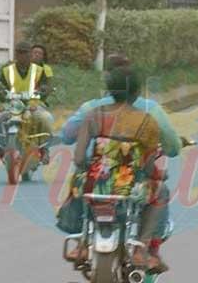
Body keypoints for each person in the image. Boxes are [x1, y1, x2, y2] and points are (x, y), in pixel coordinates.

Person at [67, 66, 173, 272]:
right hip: (130, 187)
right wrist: (158, 175)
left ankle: (80, 243)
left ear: (109, 90)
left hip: (95, 183)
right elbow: (149, 165)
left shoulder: (93, 116)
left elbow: (79, 158)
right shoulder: (147, 122)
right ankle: (142, 250)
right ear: (136, 92)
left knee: (77, 181)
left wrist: (88, 168)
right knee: (161, 191)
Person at [0, 41, 53, 164]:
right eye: (19, 53)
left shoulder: (39, 70)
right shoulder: (7, 70)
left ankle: (44, 149)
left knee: (46, 118)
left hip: (33, 105)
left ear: (30, 54)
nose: (22, 55)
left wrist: (43, 91)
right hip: (12, 105)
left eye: (25, 53)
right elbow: (2, 86)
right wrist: (0, 93)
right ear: (15, 54)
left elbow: (45, 86)